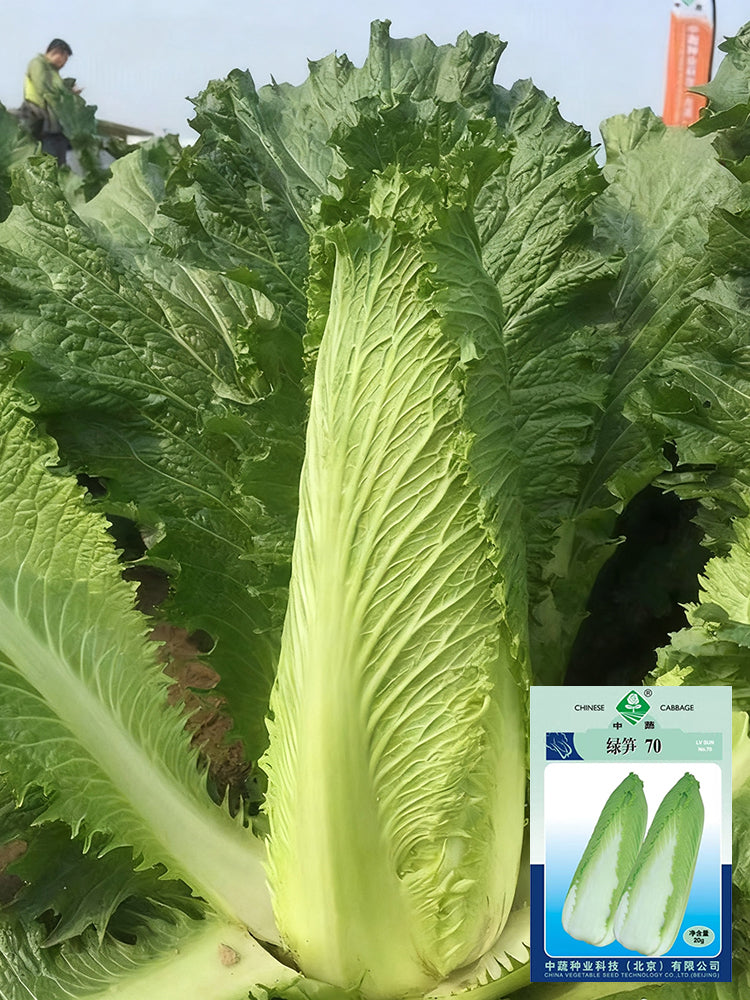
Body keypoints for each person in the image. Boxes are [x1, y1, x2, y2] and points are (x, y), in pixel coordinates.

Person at [18, 39, 81, 165]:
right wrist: (66, 94)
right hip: (39, 117)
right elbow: (43, 88)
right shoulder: (38, 63)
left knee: (58, 159)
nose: (64, 63)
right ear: (57, 53)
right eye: (65, 59)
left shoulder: (53, 71)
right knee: (48, 159)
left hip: (53, 123)